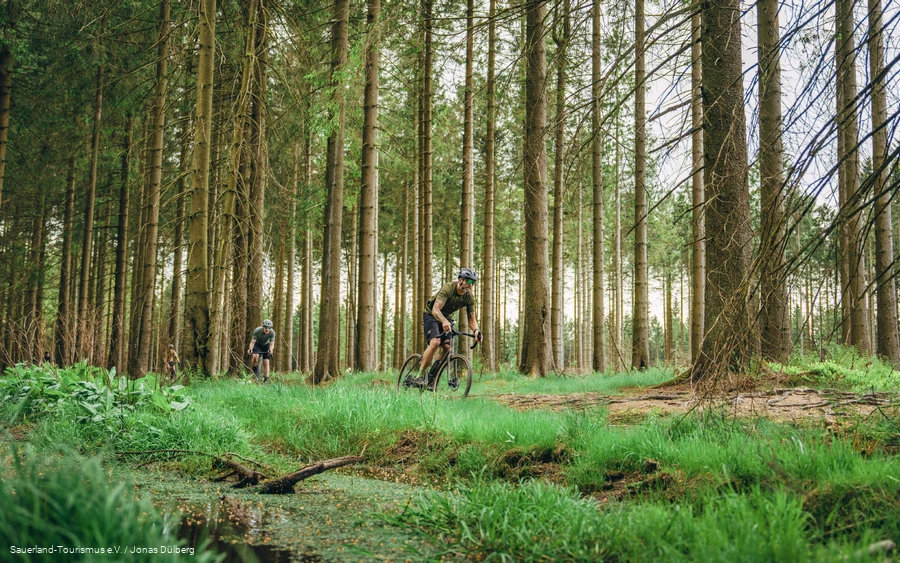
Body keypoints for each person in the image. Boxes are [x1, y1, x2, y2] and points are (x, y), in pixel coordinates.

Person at [410, 268, 484, 389]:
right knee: (435, 342)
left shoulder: (469, 297)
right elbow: (435, 309)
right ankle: (419, 376)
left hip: (447, 318)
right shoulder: (449, 288)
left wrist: (476, 330)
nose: (471, 285)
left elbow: (471, 318)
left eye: (473, 283)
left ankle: (432, 378)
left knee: (447, 348)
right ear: (460, 280)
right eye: (469, 282)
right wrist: (443, 321)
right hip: (431, 315)